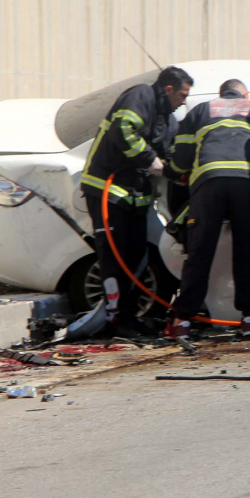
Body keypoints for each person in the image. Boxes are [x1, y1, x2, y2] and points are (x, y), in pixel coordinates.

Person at [79, 66, 194, 337]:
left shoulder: (168, 120)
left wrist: (179, 173)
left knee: (137, 260)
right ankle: (114, 319)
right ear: (168, 89)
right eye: (182, 95)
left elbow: (169, 158)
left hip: (137, 198)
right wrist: (150, 160)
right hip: (109, 191)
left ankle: (129, 318)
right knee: (114, 259)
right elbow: (123, 130)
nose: (184, 101)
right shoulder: (141, 95)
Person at [166, 79, 250, 339]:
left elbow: (181, 158)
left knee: (200, 252)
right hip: (246, 184)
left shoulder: (201, 110)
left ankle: (183, 321)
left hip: (209, 183)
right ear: (244, 94)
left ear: (221, 94)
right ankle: (249, 319)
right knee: (247, 251)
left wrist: (175, 173)